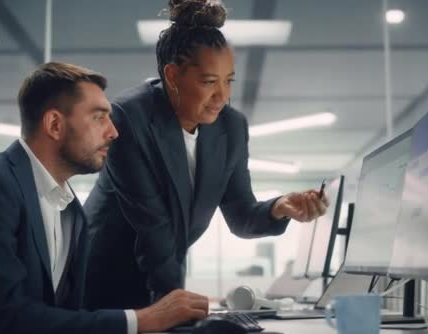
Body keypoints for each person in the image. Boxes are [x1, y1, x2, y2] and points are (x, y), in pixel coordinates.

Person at [0, 62, 208, 334]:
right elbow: (8, 319)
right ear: (54, 124)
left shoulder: (71, 211)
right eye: (99, 117)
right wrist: (142, 319)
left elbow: (62, 319)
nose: (113, 132)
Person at [84, 0, 328, 311]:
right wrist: (175, 307)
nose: (222, 96)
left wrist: (278, 208)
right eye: (209, 82)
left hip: (164, 268)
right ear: (172, 76)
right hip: (104, 280)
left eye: (229, 81)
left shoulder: (232, 126)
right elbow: (153, 227)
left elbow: (241, 215)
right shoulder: (129, 118)